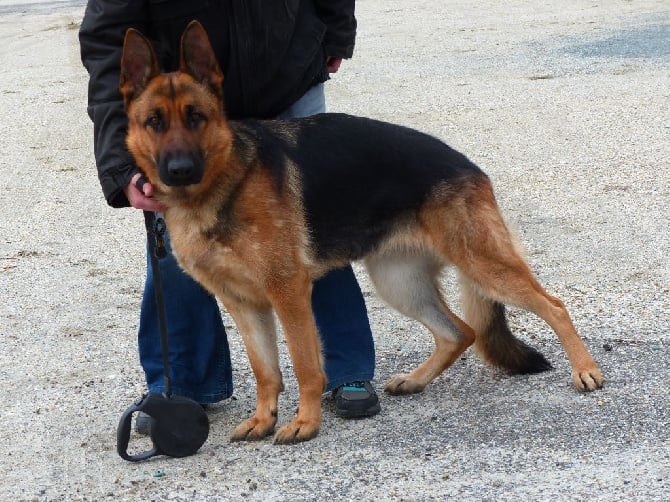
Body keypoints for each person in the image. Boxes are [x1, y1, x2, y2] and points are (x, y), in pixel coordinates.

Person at [79, 0, 381, 433]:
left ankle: (343, 368)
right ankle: (182, 386)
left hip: (286, 72)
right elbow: (108, 33)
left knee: (314, 226)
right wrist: (119, 165)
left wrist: (333, 32)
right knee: (180, 248)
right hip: (178, 90)